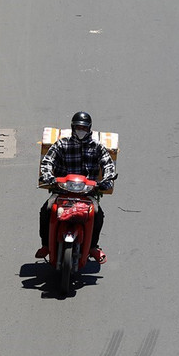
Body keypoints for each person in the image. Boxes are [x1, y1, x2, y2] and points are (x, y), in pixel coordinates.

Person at [37, 111, 117, 263]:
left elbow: (108, 163)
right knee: (46, 210)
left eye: (84, 128)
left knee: (98, 213)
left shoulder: (97, 147)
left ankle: (93, 246)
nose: (81, 130)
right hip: (62, 190)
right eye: (78, 127)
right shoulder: (62, 144)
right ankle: (46, 245)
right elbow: (48, 161)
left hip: (88, 192)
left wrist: (107, 179)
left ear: (89, 129)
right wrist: (48, 175)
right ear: (73, 128)